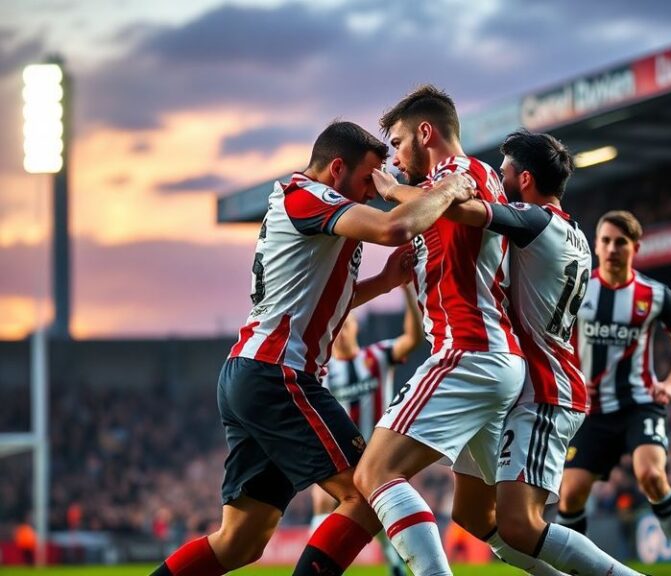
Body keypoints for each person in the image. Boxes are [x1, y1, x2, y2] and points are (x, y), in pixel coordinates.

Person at [149, 120, 474, 576]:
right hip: (277, 372)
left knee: (240, 541)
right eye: (367, 178)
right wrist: (449, 189)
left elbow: (317, 300)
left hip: (253, 373)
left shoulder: (307, 207)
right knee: (367, 491)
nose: (372, 190)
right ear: (336, 168)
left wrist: (381, 284)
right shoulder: (309, 195)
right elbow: (395, 228)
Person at [379, 130, 646, 576]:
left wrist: (391, 189)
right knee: (471, 514)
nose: (496, 181)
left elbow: (460, 210)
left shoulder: (536, 219)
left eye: (503, 173)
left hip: (546, 386)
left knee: (520, 525)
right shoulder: (571, 232)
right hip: (524, 381)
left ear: (524, 179)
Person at [353, 85, 527, 576]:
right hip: (494, 361)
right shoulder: (463, 186)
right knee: (479, 516)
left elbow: (426, 208)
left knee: (375, 471)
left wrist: (387, 191)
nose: (398, 160)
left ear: (425, 133)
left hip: (467, 353)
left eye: (401, 142)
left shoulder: (461, 174)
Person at [557, 210, 671, 576]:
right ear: (595, 244)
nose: (611, 248)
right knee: (570, 494)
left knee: (651, 476)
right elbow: (553, 337)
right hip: (590, 409)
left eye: (620, 242)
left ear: (635, 247)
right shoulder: (581, 288)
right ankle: (579, 570)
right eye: (605, 241)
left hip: (639, 403)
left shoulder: (654, 295)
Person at [310, 286, 422, 576]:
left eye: (346, 324)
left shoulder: (378, 356)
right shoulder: (322, 372)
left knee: (381, 509)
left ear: (356, 326)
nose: (341, 332)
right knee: (323, 501)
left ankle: (396, 564)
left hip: (377, 450)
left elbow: (413, 338)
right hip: (340, 452)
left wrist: (408, 292)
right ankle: (317, 565)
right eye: (337, 327)